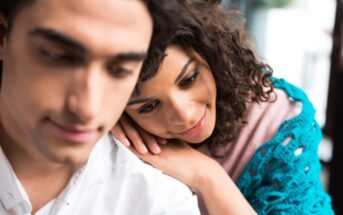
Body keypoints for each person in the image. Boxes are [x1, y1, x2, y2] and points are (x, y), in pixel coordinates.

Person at [111, 0, 335, 214]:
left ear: (210, 55)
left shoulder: (281, 121)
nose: (184, 115)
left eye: (189, 79)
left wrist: (207, 176)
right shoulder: (112, 138)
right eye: (148, 107)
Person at [0, 0, 200, 214]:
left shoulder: (161, 204)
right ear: (3, 36)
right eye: (59, 57)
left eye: (121, 70)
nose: (88, 109)